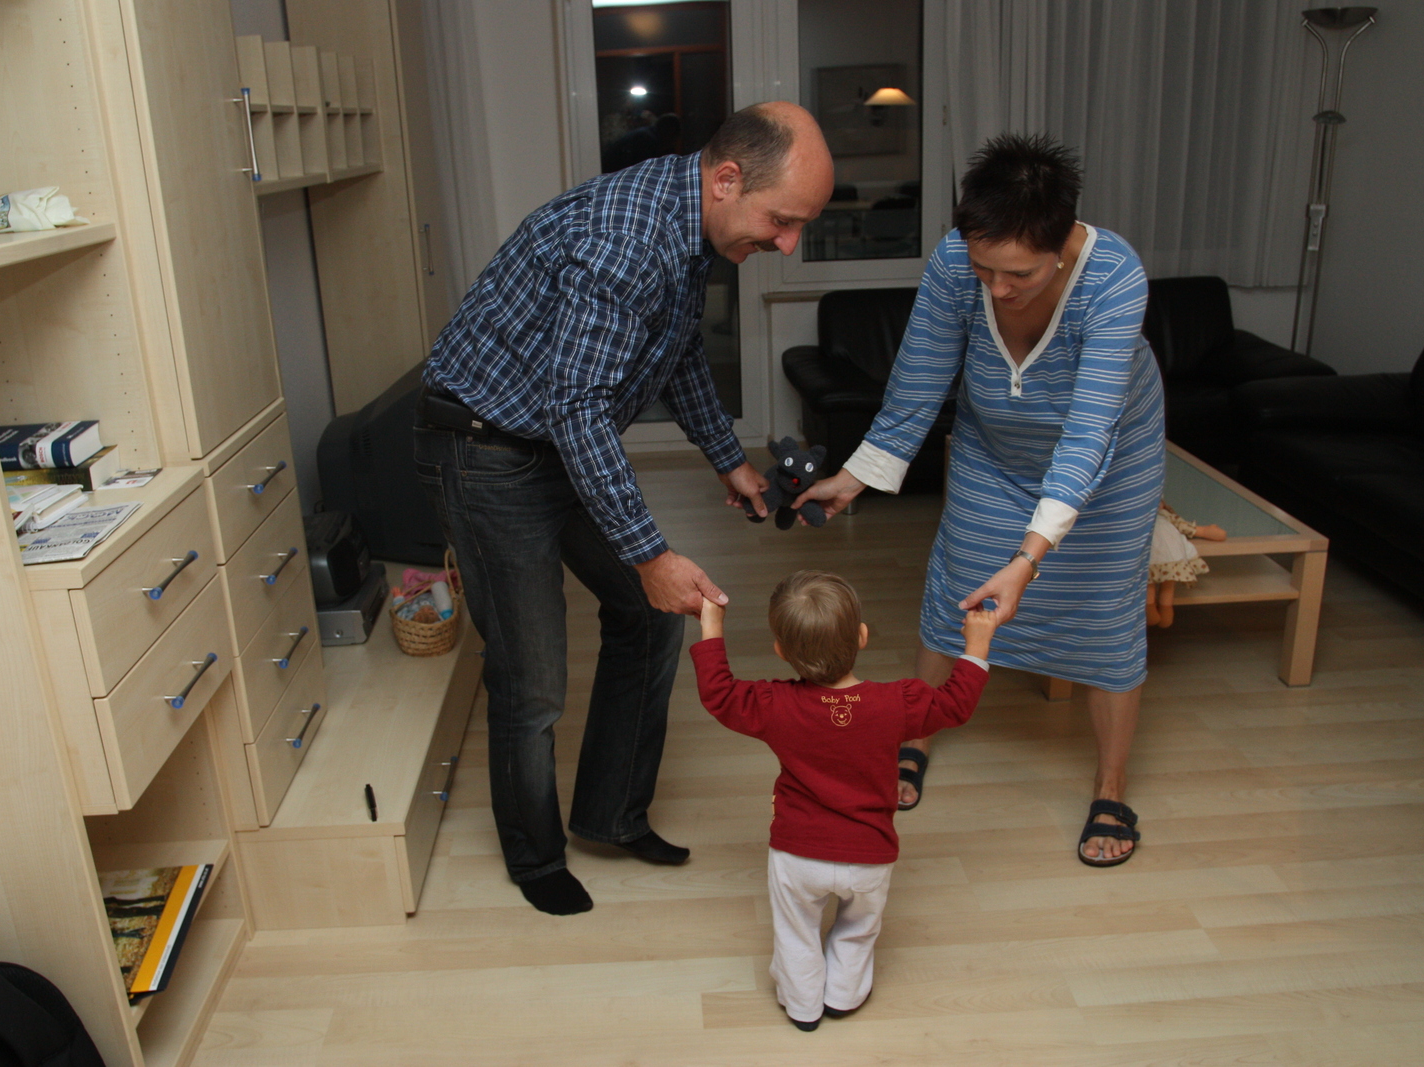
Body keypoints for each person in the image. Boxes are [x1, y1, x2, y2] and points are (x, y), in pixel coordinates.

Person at [415, 102, 834, 914]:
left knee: (650, 617)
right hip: (483, 448)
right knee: (533, 675)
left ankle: (611, 814)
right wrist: (651, 553)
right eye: (782, 221)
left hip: (547, 438)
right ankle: (534, 856)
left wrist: (727, 459)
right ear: (726, 179)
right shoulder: (629, 241)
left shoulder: (689, 226)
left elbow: (675, 350)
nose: (787, 244)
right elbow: (578, 405)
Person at [796, 132, 1165, 867]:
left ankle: (1112, 784)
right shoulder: (953, 263)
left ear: (1061, 245)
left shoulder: (1115, 278)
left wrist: (1029, 559)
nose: (996, 288)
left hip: (1107, 464)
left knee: (1104, 614)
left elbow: (1089, 432)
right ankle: (916, 736)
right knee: (955, 592)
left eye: (1018, 273)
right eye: (983, 268)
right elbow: (916, 383)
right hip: (993, 452)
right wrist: (854, 476)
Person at [691, 572, 995, 1030]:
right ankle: (843, 997)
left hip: (797, 855)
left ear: (780, 650)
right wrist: (977, 645)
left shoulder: (773, 704)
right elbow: (955, 705)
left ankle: (803, 1007)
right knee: (858, 931)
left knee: (795, 932)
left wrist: (712, 624)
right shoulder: (899, 702)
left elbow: (719, 693)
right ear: (862, 637)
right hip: (870, 856)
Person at [1147, 503, 1226, 628]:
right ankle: (1150, 608)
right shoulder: (1141, 519)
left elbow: (1188, 528)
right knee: (1151, 583)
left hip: (1169, 556)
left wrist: (1206, 531)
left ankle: (1163, 610)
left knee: (1165, 583)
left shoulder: (1166, 516)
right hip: (1157, 556)